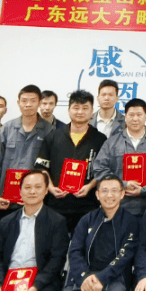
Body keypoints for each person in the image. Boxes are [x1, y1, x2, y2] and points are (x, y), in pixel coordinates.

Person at [34, 89, 108, 233]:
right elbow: (41, 166)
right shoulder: (53, 136)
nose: (80, 112)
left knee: (83, 245)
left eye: (85, 108)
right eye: (76, 107)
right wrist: (50, 188)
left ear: (92, 112)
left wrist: (90, 186)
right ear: (68, 110)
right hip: (55, 205)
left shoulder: (100, 139)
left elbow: (104, 169)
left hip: (87, 206)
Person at [92, 98, 146, 216]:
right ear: (125, 117)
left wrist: (145, 190)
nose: (135, 119)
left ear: (145, 117)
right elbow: (98, 169)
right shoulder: (112, 142)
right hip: (117, 207)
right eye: (131, 115)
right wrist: (122, 184)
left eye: (139, 115)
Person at [0, 85, 50, 227]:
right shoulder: (7, 128)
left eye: (33, 101)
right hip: (5, 199)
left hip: (34, 199)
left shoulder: (49, 130)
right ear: (18, 103)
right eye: (24, 101)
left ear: (39, 103)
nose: (28, 104)